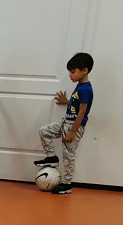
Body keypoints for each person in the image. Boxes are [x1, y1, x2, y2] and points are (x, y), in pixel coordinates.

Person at [34, 52, 94, 195]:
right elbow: (76, 105)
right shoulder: (79, 86)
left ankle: (67, 184)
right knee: (44, 131)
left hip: (74, 126)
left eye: (73, 72)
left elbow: (82, 112)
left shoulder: (86, 89)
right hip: (65, 122)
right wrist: (66, 102)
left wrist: (73, 131)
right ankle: (51, 157)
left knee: (68, 156)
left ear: (84, 70)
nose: (70, 75)